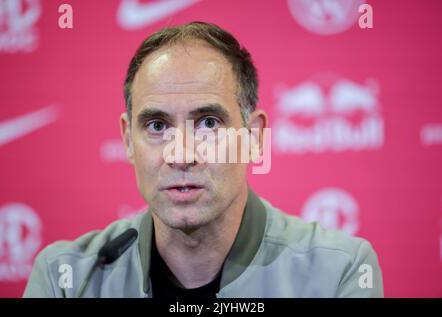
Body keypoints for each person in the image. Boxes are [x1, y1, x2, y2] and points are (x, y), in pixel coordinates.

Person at [24, 21, 383, 298]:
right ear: (127, 140)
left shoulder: (338, 271)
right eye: (157, 125)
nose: (181, 154)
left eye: (208, 123)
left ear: (254, 137)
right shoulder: (65, 280)